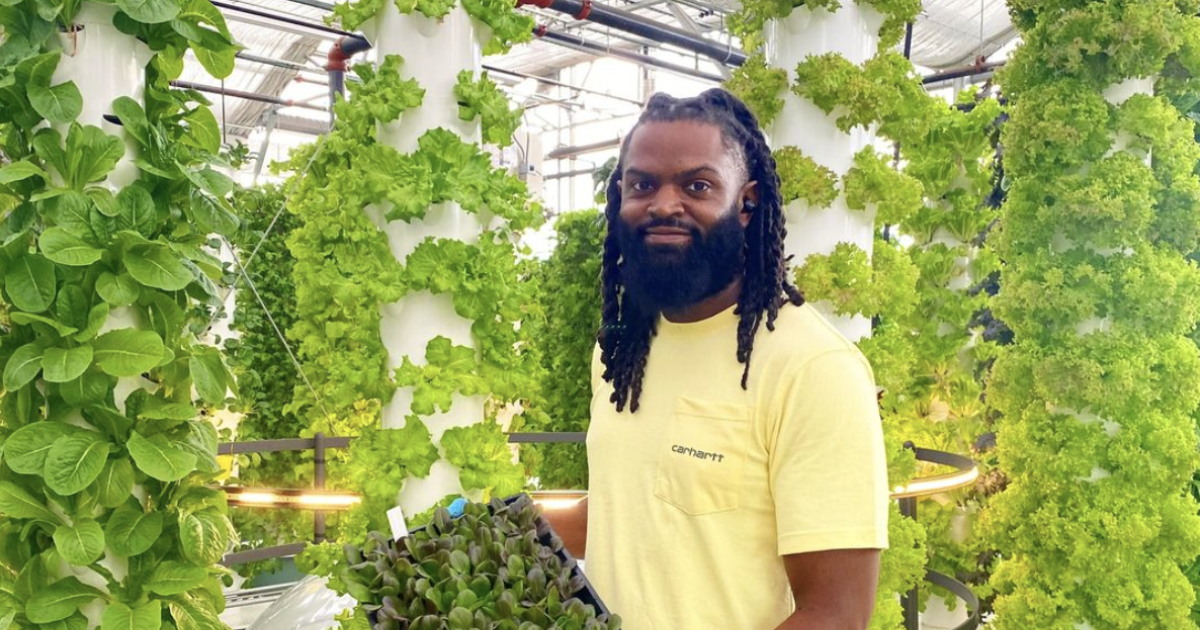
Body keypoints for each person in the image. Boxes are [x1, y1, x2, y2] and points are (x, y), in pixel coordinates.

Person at [545, 88, 889, 630]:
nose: (663, 204)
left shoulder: (812, 368)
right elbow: (628, 508)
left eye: (697, 185)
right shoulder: (622, 350)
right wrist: (515, 520)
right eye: (642, 184)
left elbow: (836, 614)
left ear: (746, 203)